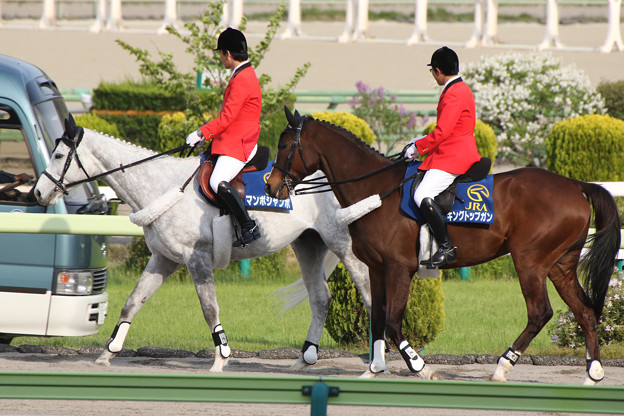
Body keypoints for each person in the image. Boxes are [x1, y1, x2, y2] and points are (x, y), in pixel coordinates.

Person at [404, 46, 481, 267]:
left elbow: (442, 132)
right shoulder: (459, 87)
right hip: (452, 149)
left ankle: (447, 248)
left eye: (432, 71)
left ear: (438, 71)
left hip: (454, 156)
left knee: (422, 194)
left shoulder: (454, 93)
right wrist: (419, 140)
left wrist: (417, 148)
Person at [185, 27, 262, 248]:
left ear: (227, 53)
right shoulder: (242, 74)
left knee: (216, 181)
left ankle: (248, 226)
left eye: (221, 54)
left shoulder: (243, 79)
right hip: (231, 138)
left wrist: (201, 132)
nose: (220, 58)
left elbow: (226, 118)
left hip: (240, 142)